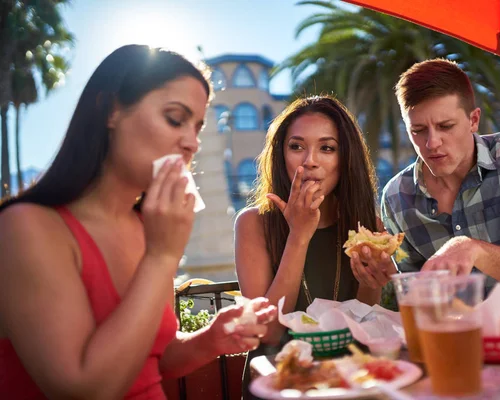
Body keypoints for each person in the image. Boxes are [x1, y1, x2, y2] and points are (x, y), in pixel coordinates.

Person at [0, 45, 276, 400]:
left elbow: (151, 361)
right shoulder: (25, 228)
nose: (191, 142)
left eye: (197, 127)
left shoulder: (146, 229)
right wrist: (161, 256)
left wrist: (210, 340)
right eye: (176, 119)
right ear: (111, 109)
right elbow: (84, 389)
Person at [234, 95, 390, 398]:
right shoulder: (253, 223)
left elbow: (366, 320)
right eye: (296, 147)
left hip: (349, 379)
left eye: (327, 148)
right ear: (281, 155)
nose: (310, 161)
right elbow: (269, 332)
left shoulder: (366, 225)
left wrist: (372, 282)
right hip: (280, 381)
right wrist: (299, 235)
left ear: (345, 160)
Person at [381, 58, 500, 292]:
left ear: (474, 120)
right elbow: (415, 294)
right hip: (453, 328)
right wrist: (384, 276)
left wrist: (472, 249)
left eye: (446, 126)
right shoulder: (396, 197)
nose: (432, 143)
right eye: (418, 131)